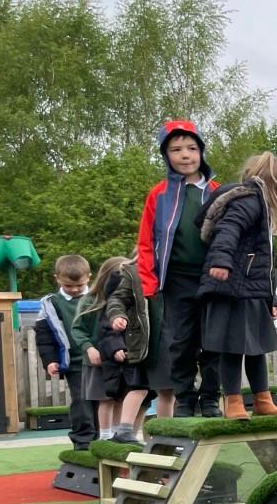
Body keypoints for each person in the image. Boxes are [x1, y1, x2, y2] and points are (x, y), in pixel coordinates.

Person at [137, 119, 222, 418]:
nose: (185, 155)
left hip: (213, 276)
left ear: (201, 151)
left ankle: (211, 397)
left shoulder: (218, 192)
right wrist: (148, 282)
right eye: (176, 149)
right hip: (176, 278)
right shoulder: (158, 195)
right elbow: (146, 241)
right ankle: (185, 398)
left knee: (213, 339)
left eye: (191, 148)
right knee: (181, 341)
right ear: (166, 155)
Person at [195, 152, 277, 419]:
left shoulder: (260, 206)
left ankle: (262, 398)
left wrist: (273, 298)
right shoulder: (248, 201)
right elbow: (228, 229)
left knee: (256, 345)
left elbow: (266, 260)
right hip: (232, 285)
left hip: (250, 287)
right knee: (232, 345)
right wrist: (222, 261)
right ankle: (234, 401)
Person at [76, 256, 151, 444]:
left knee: (119, 396)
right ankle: (105, 435)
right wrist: (89, 348)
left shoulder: (125, 301)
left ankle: (122, 432)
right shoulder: (92, 301)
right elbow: (81, 330)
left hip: (117, 358)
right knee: (105, 398)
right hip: (97, 358)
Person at [34, 254, 96, 450]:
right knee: (82, 402)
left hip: (100, 359)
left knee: (103, 401)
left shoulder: (97, 297)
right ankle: (83, 442)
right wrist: (50, 360)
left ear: (89, 277)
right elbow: (44, 336)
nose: (75, 289)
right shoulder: (51, 304)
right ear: (57, 278)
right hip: (75, 362)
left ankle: (105, 437)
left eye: (80, 285)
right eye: (69, 286)